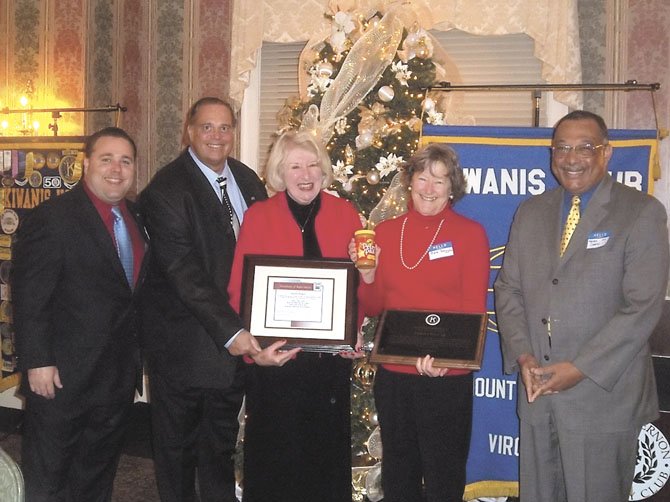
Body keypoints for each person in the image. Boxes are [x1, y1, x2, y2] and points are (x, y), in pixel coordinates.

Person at [494, 110, 670, 502]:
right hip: (538, 395)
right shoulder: (530, 211)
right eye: (562, 148)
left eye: (584, 147)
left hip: (602, 401)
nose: (571, 158)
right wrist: (524, 357)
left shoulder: (641, 213)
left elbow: (642, 307)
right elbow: (508, 290)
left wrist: (580, 368)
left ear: (606, 153)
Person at [140, 97, 295, 502]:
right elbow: (184, 273)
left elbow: (268, 253)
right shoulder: (166, 189)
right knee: (177, 453)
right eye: (207, 127)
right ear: (189, 131)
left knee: (220, 448)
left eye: (225, 128)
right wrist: (234, 333)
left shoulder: (246, 180)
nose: (216, 136)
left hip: (236, 349)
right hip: (186, 349)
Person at [227, 130, 364, 502]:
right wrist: (254, 353)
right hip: (276, 363)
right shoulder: (259, 216)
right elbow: (240, 290)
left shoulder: (346, 214)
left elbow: (360, 289)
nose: (306, 174)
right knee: (274, 464)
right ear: (280, 173)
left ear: (324, 170)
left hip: (327, 366)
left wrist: (354, 331)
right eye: (295, 166)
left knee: (324, 461)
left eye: (312, 165)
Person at [12, 126, 147, 501]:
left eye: (125, 161)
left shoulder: (137, 218)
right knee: (50, 478)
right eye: (106, 159)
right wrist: (37, 360)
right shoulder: (52, 218)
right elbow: (29, 296)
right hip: (61, 379)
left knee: (97, 475)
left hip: (115, 379)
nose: (116, 169)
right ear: (86, 164)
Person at [350, 143, 489, 502]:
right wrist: (367, 275)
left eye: (440, 181)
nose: (429, 188)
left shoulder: (470, 235)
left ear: (452, 187)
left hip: (446, 379)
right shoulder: (384, 233)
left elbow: (472, 309)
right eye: (423, 177)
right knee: (399, 474)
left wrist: (444, 360)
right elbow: (374, 306)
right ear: (410, 180)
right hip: (395, 376)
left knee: (444, 475)